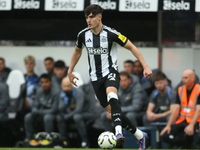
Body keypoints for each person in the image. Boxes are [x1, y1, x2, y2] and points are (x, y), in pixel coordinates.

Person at [67, 4, 153, 150]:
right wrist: (70, 70)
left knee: (112, 96)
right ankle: (140, 135)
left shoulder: (111, 33)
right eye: (87, 17)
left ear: (99, 17)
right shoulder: (83, 35)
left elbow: (131, 46)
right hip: (95, 78)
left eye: (92, 17)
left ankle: (118, 133)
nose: (89, 20)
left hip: (110, 72)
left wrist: (145, 66)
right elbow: (77, 51)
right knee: (113, 112)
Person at [160, 69, 200, 148]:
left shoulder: (198, 90)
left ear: (193, 78)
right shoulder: (180, 89)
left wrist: (191, 125)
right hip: (181, 120)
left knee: (189, 133)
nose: (183, 80)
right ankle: (188, 146)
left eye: (186, 78)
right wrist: (168, 125)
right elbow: (175, 109)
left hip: (194, 122)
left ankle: (188, 145)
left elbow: (199, 110)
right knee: (164, 136)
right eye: (182, 78)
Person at [56, 77, 97, 148]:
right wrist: (65, 102)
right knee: (59, 117)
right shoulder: (63, 94)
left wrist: (67, 116)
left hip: (87, 113)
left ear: (71, 85)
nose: (66, 89)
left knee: (77, 117)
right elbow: (60, 109)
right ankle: (64, 141)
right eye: (64, 87)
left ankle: (85, 142)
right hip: (72, 114)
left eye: (68, 86)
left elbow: (79, 109)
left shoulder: (79, 92)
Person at [24, 74, 59, 146]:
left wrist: (39, 111)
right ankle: (29, 138)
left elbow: (54, 109)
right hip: (42, 113)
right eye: (42, 82)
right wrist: (34, 110)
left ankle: (49, 139)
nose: (44, 84)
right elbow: (35, 106)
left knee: (47, 117)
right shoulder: (39, 91)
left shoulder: (56, 92)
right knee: (28, 116)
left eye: (46, 82)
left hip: (53, 115)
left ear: (51, 82)